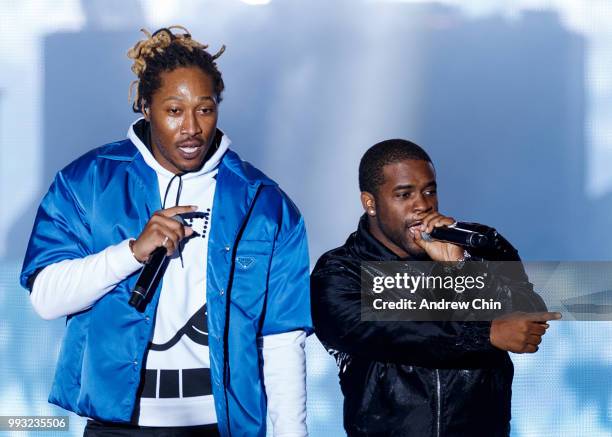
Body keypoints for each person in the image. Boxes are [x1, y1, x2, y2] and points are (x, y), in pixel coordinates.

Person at [20, 26, 311, 437]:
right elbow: (46, 300)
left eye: (205, 109)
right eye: (174, 110)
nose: (191, 127)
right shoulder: (87, 182)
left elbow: (283, 338)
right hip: (118, 425)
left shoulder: (264, 204)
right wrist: (131, 253)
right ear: (145, 106)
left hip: (218, 425)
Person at [310, 139, 561, 437]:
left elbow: (527, 317)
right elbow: (390, 332)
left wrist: (458, 269)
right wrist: (486, 334)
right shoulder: (341, 271)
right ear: (371, 203)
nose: (422, 205)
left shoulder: (477, 247)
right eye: (404, 195)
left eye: (430, 191)